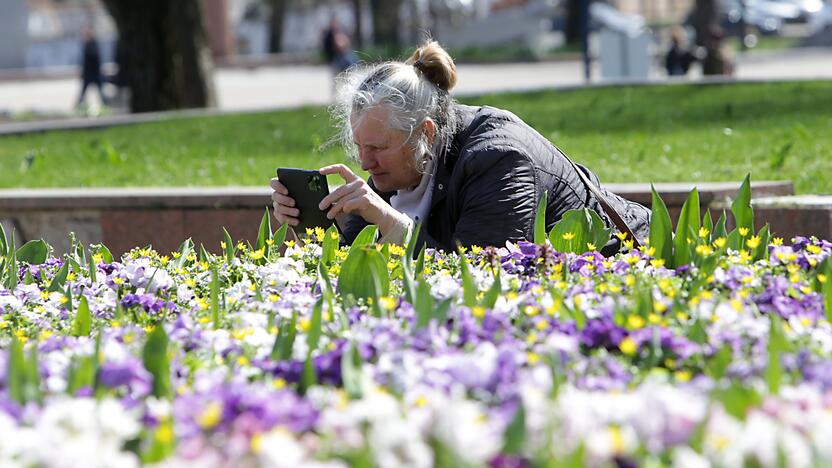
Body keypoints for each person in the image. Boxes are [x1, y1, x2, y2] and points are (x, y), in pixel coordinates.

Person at [271, 41, 650, 255]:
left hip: (627, 267)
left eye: (378, 147)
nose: (366, 162)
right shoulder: (395, 163)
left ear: (427, 134)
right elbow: (360, 263)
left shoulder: (498, 160)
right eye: (359, 147)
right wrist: (316, 223)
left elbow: (479, 276)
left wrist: (389, 224)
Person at [77, 26, 108, 108]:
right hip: (89, 74)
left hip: (94, 73)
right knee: (84, 93)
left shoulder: (92, 45)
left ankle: (106, 105)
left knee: (100, 92)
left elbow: (94, 59)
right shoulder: (87, 45)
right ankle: (79, 105)